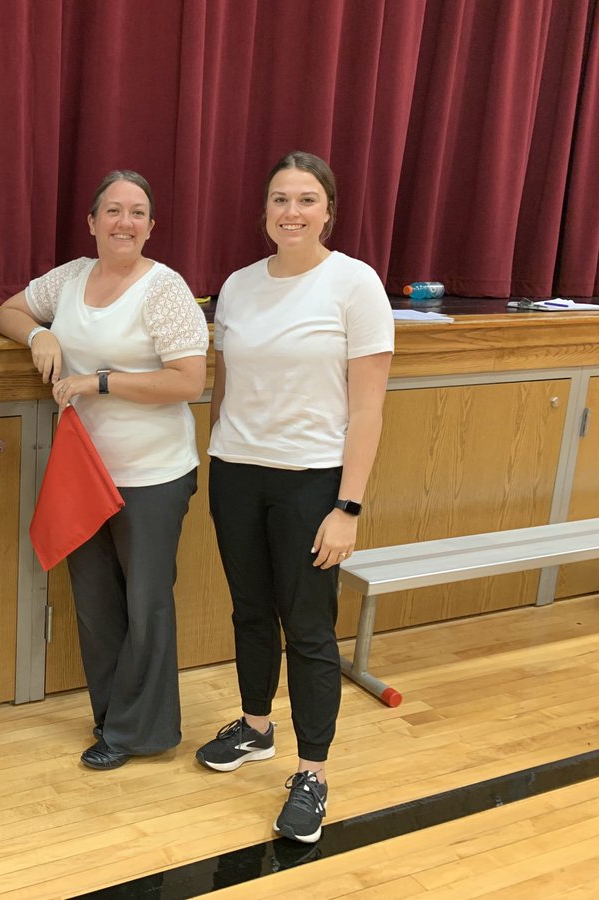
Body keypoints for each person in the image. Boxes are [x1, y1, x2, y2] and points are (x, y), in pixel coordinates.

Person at [195, 151, 393, 844]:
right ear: (266, 210)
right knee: (250, 610)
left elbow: (367, 411)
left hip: (314, 481)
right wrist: (217, 454)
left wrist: (349, 507)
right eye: (280, 198)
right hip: (238, 474)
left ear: (328, 210)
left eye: (306, 199)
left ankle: (312, 772)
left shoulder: (355, 285)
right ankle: (255, 727)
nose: (292, 211)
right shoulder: (239, 285)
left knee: (307, 630)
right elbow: (225, 382)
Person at [0, 170, 208, 771]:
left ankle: (144, 731)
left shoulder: (165, 289)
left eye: (137, 213)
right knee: (94, 602)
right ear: (91, 222)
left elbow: (188, 381)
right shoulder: (68, 279)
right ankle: (112, 718)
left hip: (153, 475)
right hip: (84, 471)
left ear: (151, 226)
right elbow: (6, 311)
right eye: (112, 211)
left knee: (146, 603)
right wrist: (38, 332)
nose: (124, 223)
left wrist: (99, 381)